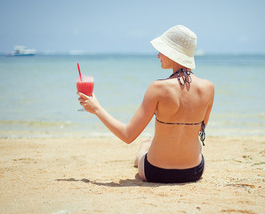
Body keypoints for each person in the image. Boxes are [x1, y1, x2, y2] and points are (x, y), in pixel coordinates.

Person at [77, 25, 214, 183]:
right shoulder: (208, 88)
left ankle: (145, 145)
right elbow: (199, 129)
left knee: (143, 150)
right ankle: (149, 144)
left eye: (161, 50)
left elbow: (127, 135)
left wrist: (96, 109)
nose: (158, 55)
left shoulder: (157, 88)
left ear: (172, 53)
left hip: (156, 171)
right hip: (194, 171)